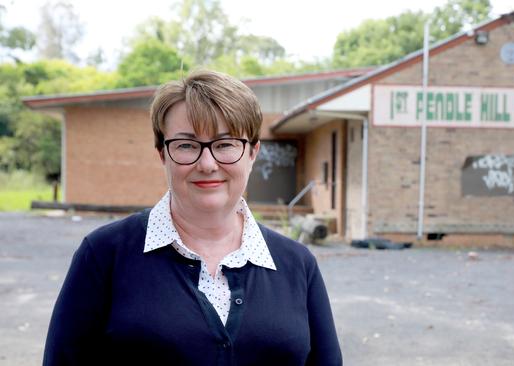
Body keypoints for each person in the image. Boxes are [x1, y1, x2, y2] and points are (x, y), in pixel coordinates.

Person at [43, 70, 342, 365]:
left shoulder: (297, 265)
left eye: (225, 144)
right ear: (162, 153)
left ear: (252, 153)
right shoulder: (104, 255)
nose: (208, 163)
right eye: (186, 145)